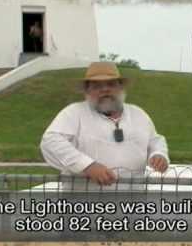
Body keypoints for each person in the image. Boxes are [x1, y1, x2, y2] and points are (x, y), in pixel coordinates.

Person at [40, 62, 170, 189]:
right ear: (87, 90)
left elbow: (155, 140)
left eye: (111, 84)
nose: (105, 90)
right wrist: (87, 166)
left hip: (132, 203)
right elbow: (51, 141)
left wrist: (158, 155)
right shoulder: (74, 112)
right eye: (97, 86)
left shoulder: (138, 114)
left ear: (120, 88)